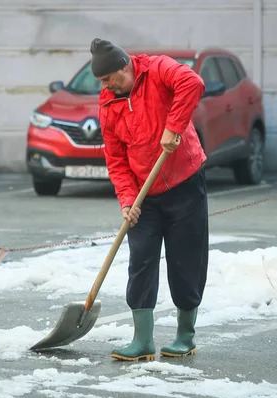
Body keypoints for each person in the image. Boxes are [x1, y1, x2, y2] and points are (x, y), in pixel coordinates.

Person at [89, 38, 209, 361]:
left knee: (186, 261)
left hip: (184, 185)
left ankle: (186, 336)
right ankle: (142, 340)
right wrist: (128, 200)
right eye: (101, 82)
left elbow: (192, 83)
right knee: (140, 260)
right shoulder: (108, 105)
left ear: (123, 67)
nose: (104, 86)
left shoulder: (157, 69)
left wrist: (173, 127)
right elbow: (116, 159)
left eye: (106, 79)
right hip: (145, 196)